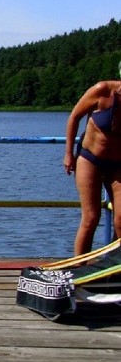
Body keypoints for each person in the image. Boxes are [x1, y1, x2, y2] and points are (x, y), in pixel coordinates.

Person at [64, 66, 121, 255]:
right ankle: (79, 268)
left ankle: (113, 268)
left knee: (120, 219)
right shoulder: (102, 90)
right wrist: (68, 154)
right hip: (90, 159)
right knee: (91, 217)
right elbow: (74, 117)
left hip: (118, 164)